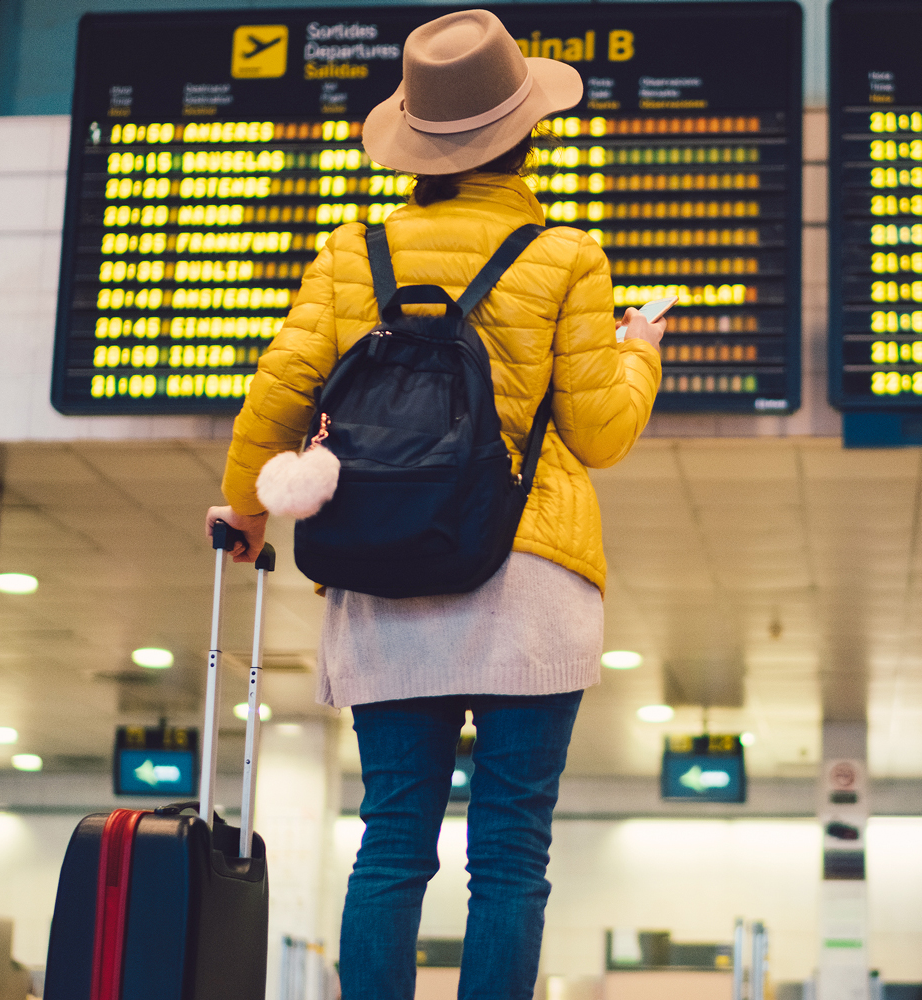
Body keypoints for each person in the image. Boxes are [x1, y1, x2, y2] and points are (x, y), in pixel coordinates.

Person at [205, 9, 663, 998]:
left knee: (393, 837)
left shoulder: (351, 250)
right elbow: (600, 432)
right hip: (526, 568)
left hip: (384, 563)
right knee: (510, 852)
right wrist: (640, 353)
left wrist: (247, 508)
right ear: (526, 130)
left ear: (414, 141)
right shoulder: (565, 254)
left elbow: (280, 390)